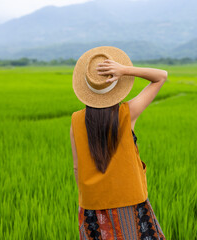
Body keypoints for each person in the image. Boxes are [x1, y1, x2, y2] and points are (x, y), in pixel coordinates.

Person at [70, 46, 167, 240]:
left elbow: (76, 168)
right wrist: (124, 70)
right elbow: (161, 76)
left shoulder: (75, 121)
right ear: (115, 85)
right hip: (129, 200)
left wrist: (91, 197)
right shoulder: (127, 113)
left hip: (91, 204)